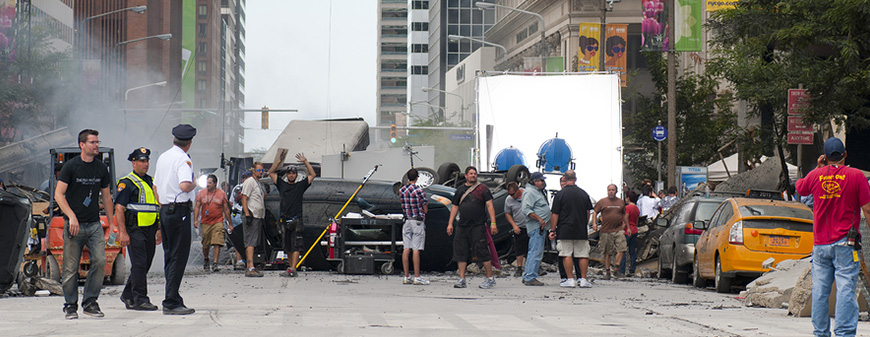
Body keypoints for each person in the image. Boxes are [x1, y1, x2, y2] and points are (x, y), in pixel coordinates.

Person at [795, 137, 870, 337]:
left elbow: (800, 187)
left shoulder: (816, 176)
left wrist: (817, 169)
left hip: (820, 246)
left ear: (825, 157)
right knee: (846, 288)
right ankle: (844, 333)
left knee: (820, 290)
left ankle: (820, 333)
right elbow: (868, 209)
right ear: (845, 154)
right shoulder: (856, 176)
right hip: (846, 243)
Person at [55, 129, 117, 319]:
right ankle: (70, 305)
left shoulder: (101, 168)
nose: (96, 145)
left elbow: (106, 197)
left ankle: (90, 302)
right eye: (92, 142)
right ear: (82, 145)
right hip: (74, 226)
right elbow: (58, 194)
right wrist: (71, 216)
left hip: (94, 225)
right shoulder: (70, 167)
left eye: (98, 142)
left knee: (99, 261)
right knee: (70, 268)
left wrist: (112, 222)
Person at [154, 124, 197, 315]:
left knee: (170, 255)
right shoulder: (183, 159)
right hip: (179, 211)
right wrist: (195, 182)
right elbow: (185, 185)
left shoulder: (164, 157)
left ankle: (173, 296)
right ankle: (171, 301)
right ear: (189, 143)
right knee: (178, 257)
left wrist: (163, 204)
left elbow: (155, 187)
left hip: (165, 209)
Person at [115, 147, 161, 311]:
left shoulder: (151, 181)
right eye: (142, 161)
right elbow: (119, 209)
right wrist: (123, 232)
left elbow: (156, 207)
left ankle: (128, 294)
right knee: (140, 264)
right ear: (134, 163)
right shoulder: (126, 183)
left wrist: (158, 229)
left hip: (149, 229)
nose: (146, 164)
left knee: (144, 264)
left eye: (147, 161)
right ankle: (141, 299)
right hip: (134, 229)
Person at [446, 166, 498, 289]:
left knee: (482, 251)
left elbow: (490, 206)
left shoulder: (483, 189)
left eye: (475, 174)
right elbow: (454, 207)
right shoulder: (460, 190)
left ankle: (490, 279)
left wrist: (493, 223)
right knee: (460, 252)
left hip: (478, 226)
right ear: (466, 176)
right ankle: (462, 279)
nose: (473, 175)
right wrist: (450, 223)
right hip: (462, 226)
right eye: (471, 174)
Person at [268, 150, 316, 277]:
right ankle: (290, 268)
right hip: (284, 219)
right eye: (289, 173)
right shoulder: (282, 185)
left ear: (296, 175)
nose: (291, 175)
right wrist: (278, 162)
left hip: (296, 219)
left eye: (293, 173)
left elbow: (312, 174)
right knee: (287, 246)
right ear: (287, 175)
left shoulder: (300, 186)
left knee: (296, 245)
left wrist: (305, 161)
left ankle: (293, 268)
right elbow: (270, 172)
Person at [548, 170, 594, 288]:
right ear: (576, 179)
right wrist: (584, 223)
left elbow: (555, 214)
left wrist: (552, 230)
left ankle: (569, 279)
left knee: (566, 253)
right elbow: (587, 212)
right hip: (580, 229)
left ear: (564, 179)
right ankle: (583, 279)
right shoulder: (583, 194)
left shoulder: (560, 195)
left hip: (565, 229)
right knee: (583, 254)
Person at [194, 174, 230, 272]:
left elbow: (226, 209)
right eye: (207, 182)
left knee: (217, 242)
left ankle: (215, 263)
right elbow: (197, 207)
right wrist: (195, 220)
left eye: (210, 183)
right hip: (205, 222)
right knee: (205, 244)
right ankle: (206, 259)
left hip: (218, 221)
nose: (207, 185)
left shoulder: (221, 194)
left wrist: (230, 223)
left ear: (215, 184)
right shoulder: (201, 193)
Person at [398, 168, 429, 285]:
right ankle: (417, 277)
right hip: (417, 221)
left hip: (406, 221)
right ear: (417, 178)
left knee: (406, 248)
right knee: (416, 249)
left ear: (407, 177)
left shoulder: (401, 190)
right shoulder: (419, 191)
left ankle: (406, 276)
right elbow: (425, 208)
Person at [593, 184, 629, 280]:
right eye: (609, 190)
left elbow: (625, 214)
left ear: (616, 191)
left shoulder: (621, 202)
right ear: (607, 191)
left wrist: (628, 227)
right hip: (606, 230)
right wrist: (594, 223)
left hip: (618, 229)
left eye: (613, 190)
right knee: (607, 252)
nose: (611, 192)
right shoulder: (602, 202)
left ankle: (616, 268)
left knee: (622, 248)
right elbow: (595, 211)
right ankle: (608, 271)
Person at [520, 172, 550, 286]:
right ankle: (530, 277)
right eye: (539, 180)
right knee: (535, 252)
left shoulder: (536, 192)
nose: (541, 182)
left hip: (539, 227)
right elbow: (526, 209)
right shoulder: (530, 192)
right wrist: (540, 220)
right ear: (533, 181)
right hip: (537, 227)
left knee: (533, 251)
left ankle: (528, 275)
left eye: (542, 180)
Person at [241, 162, 266, 277]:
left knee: (254, 241)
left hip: (258, 215)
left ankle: (251, 266)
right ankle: (250, 267)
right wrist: (247, 214)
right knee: (250, 241)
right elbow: (244, 198)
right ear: (253, 170)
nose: (261, 172)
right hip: (251, 215)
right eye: (259, 170)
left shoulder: (258, 183)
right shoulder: (249, 181)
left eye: (262, 170)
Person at [504, 181, 527, 278]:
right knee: (519, 248)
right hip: (519, 226)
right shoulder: (509, 200)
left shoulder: (527, 194)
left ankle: (538, 266)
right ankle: (519, 267)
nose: (511, 196)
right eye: (509, 194)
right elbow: (507, 213)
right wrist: (514, 225)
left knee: (533, 247)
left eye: (513, 194)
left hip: (531, 225)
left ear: (518, 190)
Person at [619, 190, 640, 276]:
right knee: (632, 252)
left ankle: (622, 270)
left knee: (622, 250)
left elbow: (625, 219)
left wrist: (621, 230)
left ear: (628, 198)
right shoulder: (637, 208)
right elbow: (637, 221)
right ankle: (632, 270)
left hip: (627, 231)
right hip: (635, 230)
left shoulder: (627, 208)